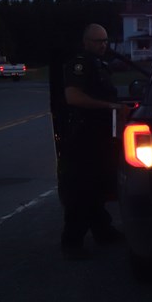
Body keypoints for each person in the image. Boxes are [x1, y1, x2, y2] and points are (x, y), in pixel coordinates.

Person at [57, 24, 131, 259]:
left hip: (100, 136)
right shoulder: (79, 63)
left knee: (97, 186)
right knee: (81, 190)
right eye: (98, 41)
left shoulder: (100, 64)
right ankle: (72, 243)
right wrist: (111, 106)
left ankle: (103, 231)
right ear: (86, 42)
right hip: (83, 137)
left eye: (106, 41)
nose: (103, 45)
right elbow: (73, 96)